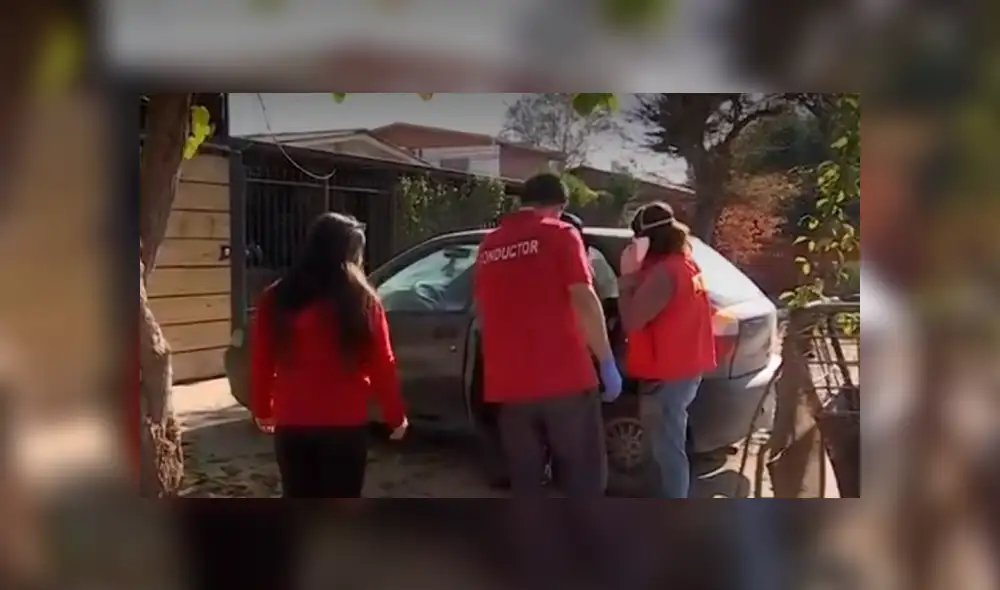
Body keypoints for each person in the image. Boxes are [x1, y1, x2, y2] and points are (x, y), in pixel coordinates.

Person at [473, 172, 622, 497]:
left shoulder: (489, 245)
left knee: (525, 476)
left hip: (509, 384)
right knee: (582, 476)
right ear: (559, 206)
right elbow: (583, 298)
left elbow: (483, 310)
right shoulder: (561, 233)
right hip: (564, 379)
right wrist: (606, 361)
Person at [249, 212, 408, 498]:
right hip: (344, 424)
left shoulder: (275, 298)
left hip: (293, 421)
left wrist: (262, 408)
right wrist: (395, 417)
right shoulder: (363, 301)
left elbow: (262, 359)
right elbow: (382, 364)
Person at [618, 202, 716, 498]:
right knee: (669, 445)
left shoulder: (663, 274)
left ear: (647, 240)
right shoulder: (686, 264)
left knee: (668, 450)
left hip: (668, 373)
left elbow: (632, 319)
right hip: (685, 367)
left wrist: (626, 279)